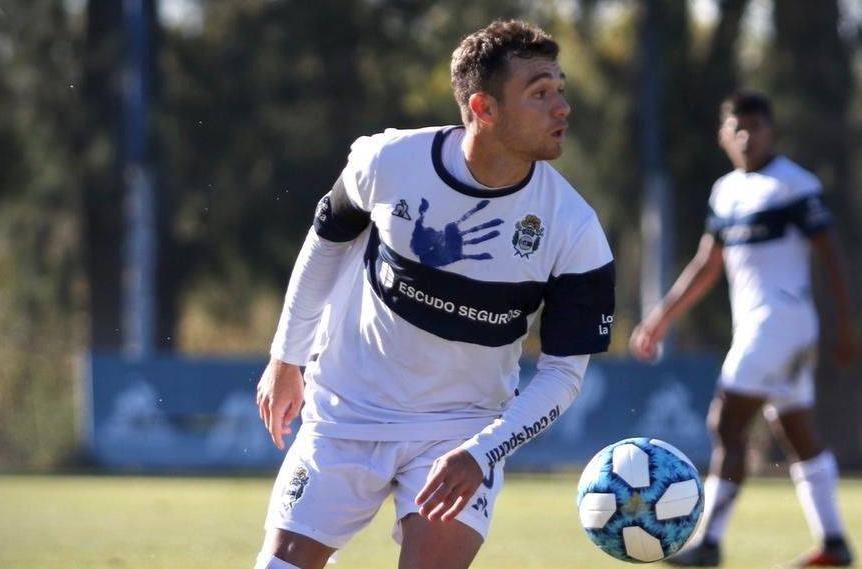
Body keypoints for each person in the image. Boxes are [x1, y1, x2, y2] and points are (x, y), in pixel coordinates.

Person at [254, 20, 615, 569]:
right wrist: (287, 356)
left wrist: (482, 451)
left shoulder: (575, 228)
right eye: (540, 93)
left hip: (462, 429)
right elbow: (327, 242)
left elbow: (564, 373)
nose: (562, 107)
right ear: (484, 108)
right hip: (347, 408)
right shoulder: (388, 161)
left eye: (560, 90)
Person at [630, 91, 859, 567]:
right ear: (723, 135)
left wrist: (844, 324)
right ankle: (834, 542)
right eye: (737, 127)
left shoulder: (794, 185)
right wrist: (661, 317)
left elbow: (832, 254)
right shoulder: (726, 191)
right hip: (763, 328)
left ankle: (709, 543)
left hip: (780, 323)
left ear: (772, 131)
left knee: (726, 423)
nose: (747, 136)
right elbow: (707, 264)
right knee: (796, 430)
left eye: (756, 126)